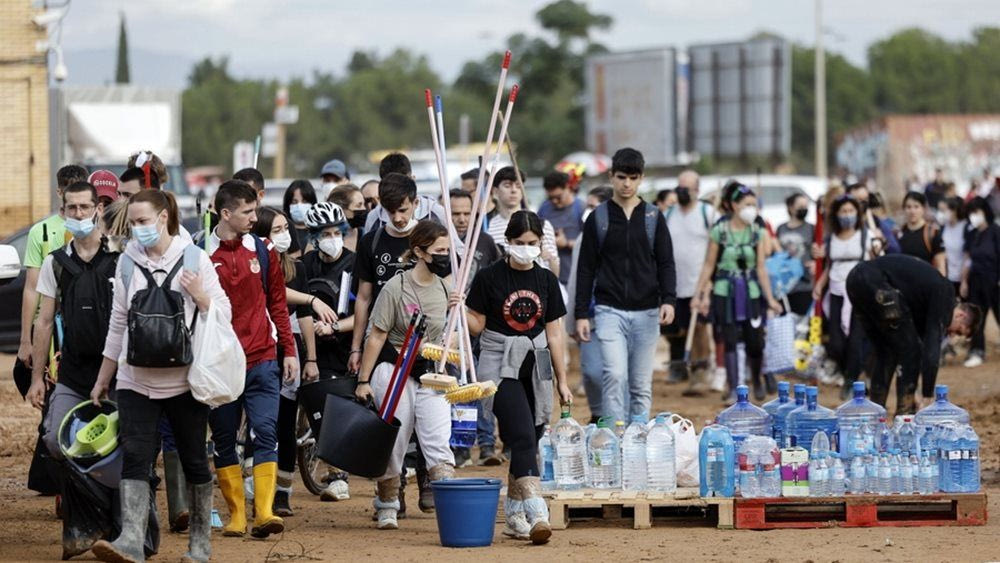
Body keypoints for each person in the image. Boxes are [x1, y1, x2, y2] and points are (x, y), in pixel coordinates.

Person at [89, 189, 228, 563]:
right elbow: (118, 324)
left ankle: (200, 544)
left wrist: (201, 295)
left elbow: (224, 312)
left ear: (163, 218)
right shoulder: (126, 263)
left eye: (143, 221)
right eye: (133, 223)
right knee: (135, 456)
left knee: (194, 459)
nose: (137, 229)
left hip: (185, 381)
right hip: (135, 379)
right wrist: (105, 376)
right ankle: (132, 540)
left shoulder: (196, 258)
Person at [460, 210, 572, 544]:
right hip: (498, 362)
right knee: (522, 436)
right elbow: (477, 325)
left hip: (536, 363)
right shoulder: (489, 277)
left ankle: (513, 515)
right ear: (507, 242)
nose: (526, 248)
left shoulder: (546, 279)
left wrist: (562, 380)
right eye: (519, 243)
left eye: (532, 243)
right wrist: (459, 309)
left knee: (532, 437)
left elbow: (554, 333)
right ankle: (538, 512)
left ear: (540, 243)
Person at [206, 180, 298, 539]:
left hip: (262, 358)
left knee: (267, 433)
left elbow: (278, 303)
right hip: (221, 365)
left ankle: (263, 512)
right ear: (225, 213)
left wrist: (288, 349)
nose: (254, 218)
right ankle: (236, 516)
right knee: (225, 439)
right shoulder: (200, 254)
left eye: (255, 210)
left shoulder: (263, 250)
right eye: (247, 212)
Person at [355, 220, 456, 531]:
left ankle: (451, 506)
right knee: (394, 441)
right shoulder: (395, 288)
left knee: (438, 440)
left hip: (432, 374)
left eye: (448, 251)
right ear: (419, 251)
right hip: (394, 371)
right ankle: (387, 503)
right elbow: (377, 335)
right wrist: (363, 380)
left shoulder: (447, 287)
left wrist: (459, 311)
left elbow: (457, 334)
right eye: (439, 251)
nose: (445, 256)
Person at [575, 148, 677, 422]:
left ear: (641, 178)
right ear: (611, 177)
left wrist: (669, 299)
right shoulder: (598, 218)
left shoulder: (653, 217)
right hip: (609, 310)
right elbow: (586, 268)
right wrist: (582, 313)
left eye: (633, 178)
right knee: (614, 374)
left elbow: (666, 262)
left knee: (641, 383)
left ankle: (639, 438)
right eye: (621, 177)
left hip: (647, 312)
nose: (627, 184)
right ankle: (613, 437)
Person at [348, 173, 428, 513]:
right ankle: (393, 489)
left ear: (416, 203)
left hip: (426, 344)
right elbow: (363, 299)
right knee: (391, 418)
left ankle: (427, 481)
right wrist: (356, 347)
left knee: (426, 419)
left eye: (404, 209)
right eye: (390, 210)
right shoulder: (373, 242)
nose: (398, 217)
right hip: (384, 344)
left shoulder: (430, 239)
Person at [847, 255, 981, 414]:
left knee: (886, 352)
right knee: (912, 352)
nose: (951, 335)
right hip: (877, 284)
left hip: (854, 280)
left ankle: (875, 417)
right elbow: (930, 349)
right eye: (958, 330)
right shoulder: (946, 293)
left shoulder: (924, 305)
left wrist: (915, 391)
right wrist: (927, 395)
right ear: (961, 316)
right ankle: (905, 418)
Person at [251, 207, 318, 517]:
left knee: (285, 423)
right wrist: (310, 299)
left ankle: (283, 490)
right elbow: (272, 296)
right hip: (259, 346)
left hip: (290, 348)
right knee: (259, 422)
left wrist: (311, 358)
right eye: (275, 229)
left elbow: (303, 316)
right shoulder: (255, 265)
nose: (283, 235)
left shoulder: (297, 268)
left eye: (284, 228)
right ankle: (254, 484)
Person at [692, 181, 782, 402]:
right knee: (729, 338)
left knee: (754, 340)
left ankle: (757, 380)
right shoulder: (720, 230)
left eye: (754, 204)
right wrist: (699, 293)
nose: (751, 209)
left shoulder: (758, 232)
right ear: (733, 206)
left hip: (751, 291)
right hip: (725, 290)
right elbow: (708, 264)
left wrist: (769, 298)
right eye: (746, 204)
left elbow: (761, 267)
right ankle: (733, 387)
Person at [302, 202, 358, 501]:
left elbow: (365, 310)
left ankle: (339, 475)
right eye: (326, 233)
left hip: (344, 346)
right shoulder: (306, 265)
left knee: (340, 409)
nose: (333, 238)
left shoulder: (355, 264)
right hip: (310, 346)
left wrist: (335, 328)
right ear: (313, 237)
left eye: (338, 232)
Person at [447, 189, 503, 467]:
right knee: (458, 386)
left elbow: (496, 280)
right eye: (455, 213)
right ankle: (461, 447)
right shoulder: (441, 241)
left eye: (466, 214)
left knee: (482, 384)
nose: (461, 219)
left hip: (481, 324)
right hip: (450, 327)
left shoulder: (486, 242)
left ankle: (488, 445)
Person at [18, 164, 86, 370]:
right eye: (69, 192)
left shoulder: (96, 228)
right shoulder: (41, 231)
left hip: (85, 324)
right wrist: (25, 341)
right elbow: (32, 288)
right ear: (59, 192)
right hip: (50, 327)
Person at [812, 195, 878, 395]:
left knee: (856, 339)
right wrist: (819, 285)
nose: (847, 215)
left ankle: (851, 381)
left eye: (851, 211)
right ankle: (847, 372)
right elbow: (830, 265)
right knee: (836, 342)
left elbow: (877, 261)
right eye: (843, 211)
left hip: (859, 293)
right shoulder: (831, 239)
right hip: (836, 292)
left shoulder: (866, 236)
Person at [663, 170, 717, 391]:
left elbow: (715, 250)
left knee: (700, 329)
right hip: (676, 284)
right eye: (679, 187)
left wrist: (707, 285)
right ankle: (687, 367)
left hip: (699, 283)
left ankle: (701, 372)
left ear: (697, 190)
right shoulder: (669, 214)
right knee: (679, 330)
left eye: (687, 188)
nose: (682, 191)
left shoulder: (707, 212)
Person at [566, 186, 613, 420]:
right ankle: (597, 413)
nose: (589, 213)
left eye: (594, 207)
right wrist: (572, 319)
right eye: (588, 207)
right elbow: (576, 278)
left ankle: (617, 416)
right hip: (590, 315)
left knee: (618, 374)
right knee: (593, 371)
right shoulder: (584, 238)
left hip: (619, 312)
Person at [486, 166, 559, 276]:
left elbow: (555, 273)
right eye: (507, 185)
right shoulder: (488, 227)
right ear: (495, 191)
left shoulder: (542, 225)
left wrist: (548, 257)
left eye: (518, 186)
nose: (514, 190)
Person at [960, 197, 1000, 368]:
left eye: (976, 212)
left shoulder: (995, 231)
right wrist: (964, 281)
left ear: (984, 212)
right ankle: (977, 350)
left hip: (995, 280)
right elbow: (968, 259)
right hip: (976, 280)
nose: (974, 217)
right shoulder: (973, 234)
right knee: (977, 317)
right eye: (971, 213)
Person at [364, 152, 447, 233]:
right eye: (391, 211)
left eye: (403, 210)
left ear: (412, 180)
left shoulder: (435, 212)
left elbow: (455, 245)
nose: (397, 219)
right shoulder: (374, 217)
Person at [537, 171, 584, 286]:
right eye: (550, 197)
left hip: (573, 276)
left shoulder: (581, 208)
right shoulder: (544, 207)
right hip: (548, 274)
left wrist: (566, 243)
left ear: (568, 188)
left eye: (558, 197)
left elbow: (590, 243)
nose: (554, 201)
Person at [776, 193, 815, 316]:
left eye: (806, 206)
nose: (804, 209)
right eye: (800, 206)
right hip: (784, 286)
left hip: (804, 285)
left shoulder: (811, 229)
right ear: (790, 207)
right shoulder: (781, 229)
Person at [896, 192, 946, 276]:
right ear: (904, 209)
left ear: (923, 209)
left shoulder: (933, 233)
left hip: (927, 283)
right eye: (908, 207)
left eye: (916, 207)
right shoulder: (899, 233)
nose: (912, 211)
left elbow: (941, 265)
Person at [937, 196, 968, 296]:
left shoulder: (965, 227)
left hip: (963, 277)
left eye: (944, 210)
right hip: (948, 277)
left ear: (954, 210)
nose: (942, 213)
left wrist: (964, 280)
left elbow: (968, 256)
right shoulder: (943, 228)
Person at [282, 179, 319, 256]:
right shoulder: (283, 231)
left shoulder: (319, 232)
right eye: (294, 202)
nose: (299, 206)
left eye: (304, 201)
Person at [328, 184, 368, 251]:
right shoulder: (323, 238)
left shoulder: (365, 234)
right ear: (341, 209)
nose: (364, 209)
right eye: (359, 205)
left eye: (364, 204)